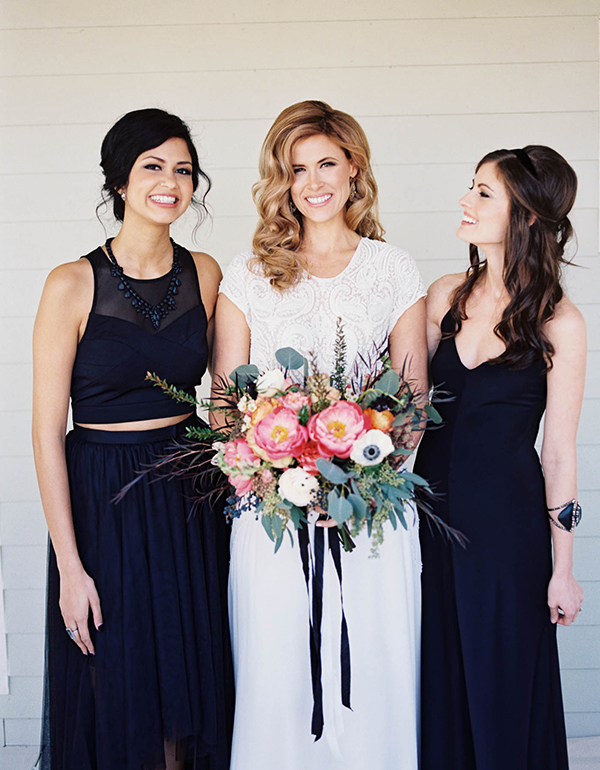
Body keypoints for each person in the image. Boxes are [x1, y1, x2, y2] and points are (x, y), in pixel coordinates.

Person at [213, 100, 428, 770]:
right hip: (273, 514)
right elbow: (224, 404)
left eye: (326, 163)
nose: (312, 182)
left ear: (354, 167)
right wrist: (281, 480)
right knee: (278, 673)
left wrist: (361, 485)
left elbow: (412, 400)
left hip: (372, 513)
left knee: (374, 673)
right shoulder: (248, 275)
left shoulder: (393, 269)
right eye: (296, 168)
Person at [32, 108, 233, 770]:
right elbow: (45, 433)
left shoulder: (206, 273)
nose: (170, 182)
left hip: (190, 493)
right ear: (120, 180)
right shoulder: (70, 283)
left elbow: (228, 399)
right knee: (119, 684)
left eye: (183, 170)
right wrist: (70, 568)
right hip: (104, 498)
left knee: (186, 683)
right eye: (152, 166)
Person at [414, 146, 585, 770]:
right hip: (427, 521)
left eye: (484, 192)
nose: (466, 200)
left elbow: (558, 454)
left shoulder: (560, 322)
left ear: (529, 215)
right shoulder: (443, 297)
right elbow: (399, 413)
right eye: (472, 187)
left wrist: (563, 569)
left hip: (508, 533)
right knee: (435, 679)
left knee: (503, 684)